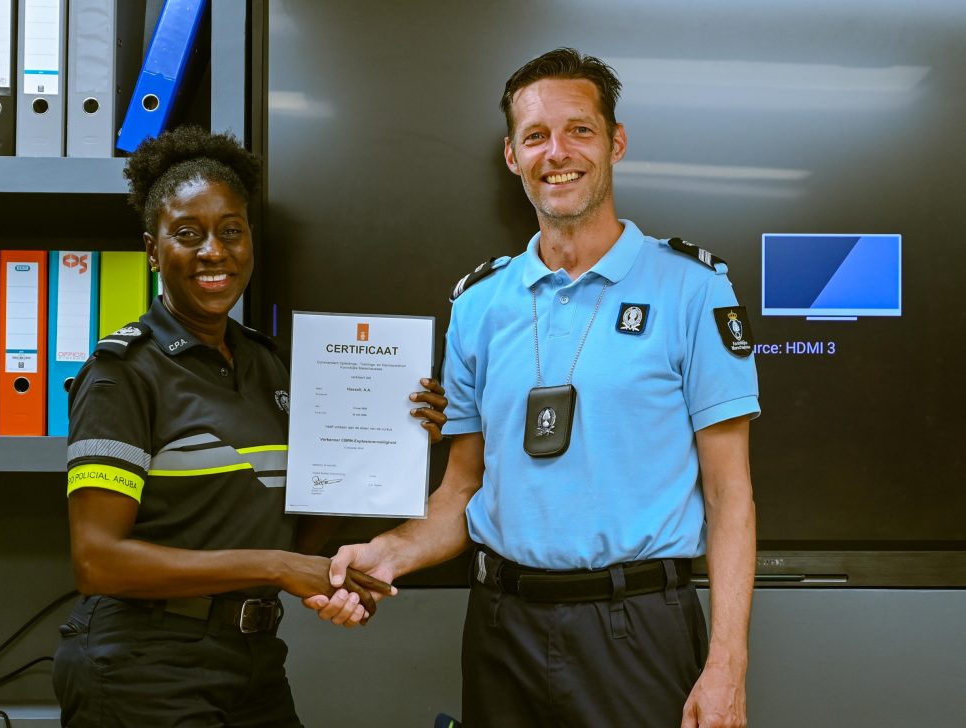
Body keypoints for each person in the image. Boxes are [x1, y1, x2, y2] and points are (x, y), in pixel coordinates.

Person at [306, 48, 760, 728]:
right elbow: (461, 491)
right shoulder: (478, 304)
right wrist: (387, 554)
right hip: (501, 628)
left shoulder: (693, 290)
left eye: (580, 130)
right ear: (513, 156)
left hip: (638, 628)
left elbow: (730, 496)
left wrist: (727, 664)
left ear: (616, 142)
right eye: (536, 136)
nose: (558, 153)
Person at [52, 125, 447, 727]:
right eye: (188, 234)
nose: (214, 251)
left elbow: (299, 534)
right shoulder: (122, 375)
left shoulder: (275, 366)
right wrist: (278, 567)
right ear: (153, 251)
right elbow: (97, 562)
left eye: (231, 231)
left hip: (254, 658)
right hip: (142, 667)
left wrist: (394, 441)